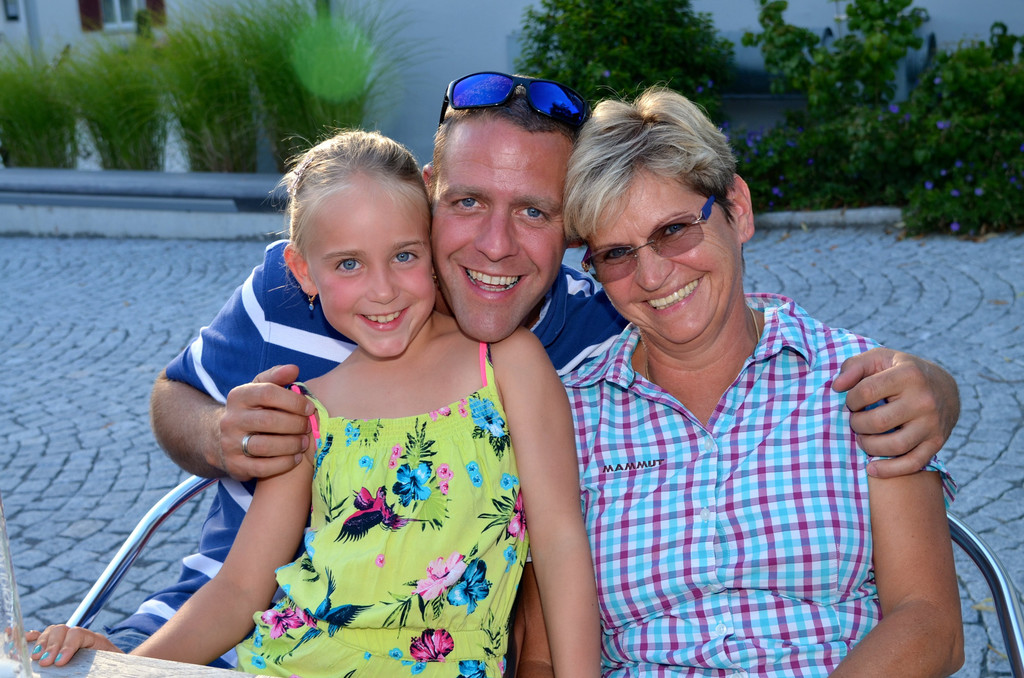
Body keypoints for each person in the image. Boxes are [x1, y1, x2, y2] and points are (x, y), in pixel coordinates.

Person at [101, 72, 957, 667]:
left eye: (535, 213)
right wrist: (219, 435)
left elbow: (707, 327)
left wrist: (939, 390)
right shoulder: (306, 281)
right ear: (429, 193)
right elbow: (175, 400)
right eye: (468, 202)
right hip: (212, 633)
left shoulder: (578, 339)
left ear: (569, 236)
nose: (496, 245)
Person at [28, 130, 600, 677]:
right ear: (304, 272)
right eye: (349, 264)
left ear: (431, 247)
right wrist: (131, 665)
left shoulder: (504, 364)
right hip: (288, 662)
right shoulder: (306, 410)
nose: (382, 289)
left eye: (403, 256)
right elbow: (240, 590)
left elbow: (559, 543)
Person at [529, 86, 963, 676]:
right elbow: (544, 656)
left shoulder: (860, 386)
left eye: (675, 230)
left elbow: (930, 622)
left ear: (738, 209)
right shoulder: (569, 415)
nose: (652, 275)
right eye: (617, 254)